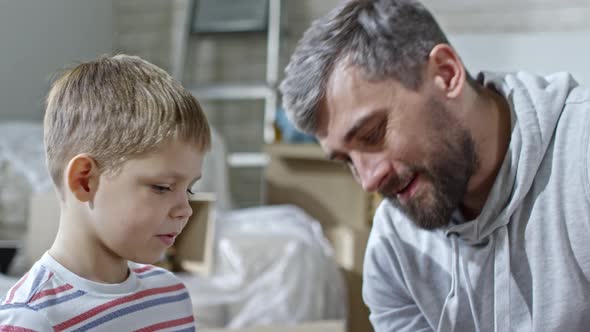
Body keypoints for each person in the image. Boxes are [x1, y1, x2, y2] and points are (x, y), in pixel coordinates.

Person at [280, 0, 590, 331]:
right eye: (347, 161)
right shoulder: (396, 250)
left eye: (373, 134)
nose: (368, 180)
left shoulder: (581, 153)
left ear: (447, 74)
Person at [0, 55, 211, 331]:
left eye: (189, 188)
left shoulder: (171, 296)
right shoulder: (33, 319)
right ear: (85, 180)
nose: (186, 209)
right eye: (162, 187)